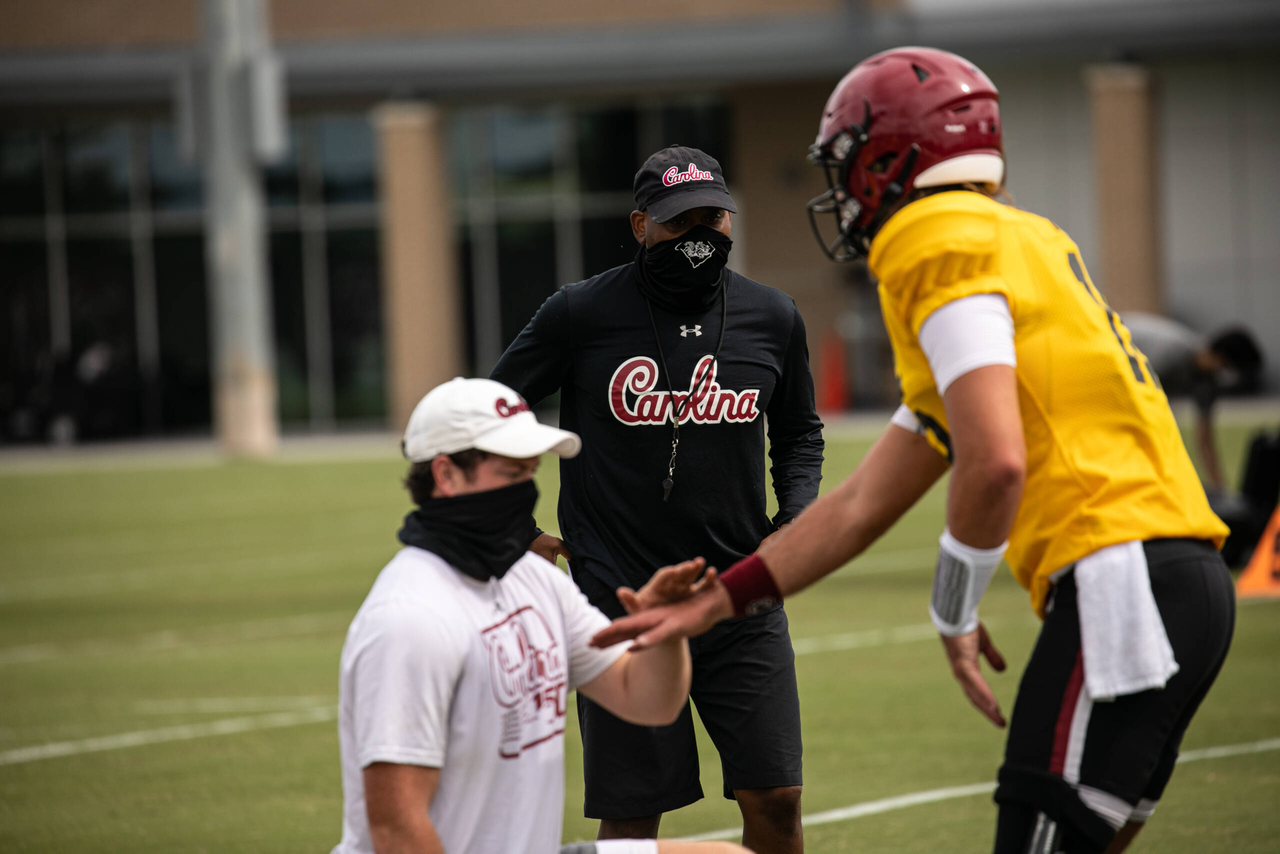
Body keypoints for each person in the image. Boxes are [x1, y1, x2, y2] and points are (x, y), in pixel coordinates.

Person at [594, 47, 1236, 854]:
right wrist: (719, 601)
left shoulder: (930, 235)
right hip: (1190, 582)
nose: (844, 186)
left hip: (1121, 578)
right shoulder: (1025, 235)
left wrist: (960, 599)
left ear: (892, 153)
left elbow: (996, 458)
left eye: (850, 161)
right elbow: (863, 503)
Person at [491, 145, 824, 851]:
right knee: (634, 817)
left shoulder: (773, 316)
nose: (701, 237)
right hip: (621, 603)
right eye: (681, 223)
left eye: (714, 219)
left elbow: (798, 435)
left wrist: (793, 523)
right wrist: (512, 521)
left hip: (741, 597)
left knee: (778, 797)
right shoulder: (581, 313)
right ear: (642, 225)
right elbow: (492, 410)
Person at [330, 377, 747, 854]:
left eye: (530, 474)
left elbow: (647, 702)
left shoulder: (535, 581)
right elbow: (396, 830)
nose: (525, 492)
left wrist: (666, 630)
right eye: (511, 474)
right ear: (446, 475)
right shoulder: (409, 618)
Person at [1122, 312, 1264, 493]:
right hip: (1108, 347)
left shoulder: (1208, 382)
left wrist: (1222, 494)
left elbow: (1205, 441)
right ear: (1220, 358)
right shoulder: (1170, 356)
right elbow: (1132, 403)